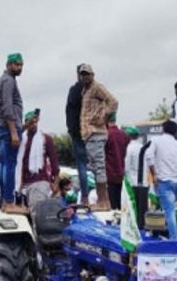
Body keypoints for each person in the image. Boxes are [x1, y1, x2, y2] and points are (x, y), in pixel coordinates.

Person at [78, 63, 118, 210]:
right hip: (89, 133)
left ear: (92, 75)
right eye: (83, 74)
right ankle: (103, 201)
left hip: (96, 131)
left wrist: (103, 117)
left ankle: (104, 201)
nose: (85, 76)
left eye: (87, 74)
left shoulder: (96, 87)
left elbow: (113, 101)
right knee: (95, 167)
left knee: (99, 167)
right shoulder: (85, 90)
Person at [146, 120, 177, 239]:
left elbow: (149, 157)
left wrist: (154, 175)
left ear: (163, 129)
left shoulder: (156, 140)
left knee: (169, 212)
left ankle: (174, 240)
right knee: (176, 208)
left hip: (165, 181)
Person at [0, 53, 24, 207]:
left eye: (21, 65)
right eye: (16, 64)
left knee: (5, 163)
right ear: (8, 65)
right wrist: (13, 131)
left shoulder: (7, 80)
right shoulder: (8, 81)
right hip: (8, 128)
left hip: (3, 127)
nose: (19, 67)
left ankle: (5, 198)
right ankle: (8, 200)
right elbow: (7, 107)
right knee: (9, 164)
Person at [15, 109, 60, 210]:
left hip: (40, 182)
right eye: (31, 122)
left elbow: (54, 163)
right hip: (21, 184)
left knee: (37, 211)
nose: (34, 125)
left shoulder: (45, 139)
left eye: (35, 122)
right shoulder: (19, 139)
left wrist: (56, 183)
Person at [65, 64, 90, 205]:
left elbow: (69, 111)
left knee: (81, 165)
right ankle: (100, 195)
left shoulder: (74, 90)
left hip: (77, 132)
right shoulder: (92, 90)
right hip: (91, 133)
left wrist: (71, 130)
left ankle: (85, 196)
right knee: (98, 165)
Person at [105, 114, 130, 209]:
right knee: (121, 202)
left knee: (112, 204)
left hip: (109, 173)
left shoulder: (106, 135)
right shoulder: (124, 135)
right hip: (122, 173)